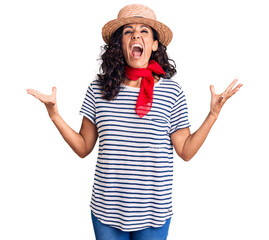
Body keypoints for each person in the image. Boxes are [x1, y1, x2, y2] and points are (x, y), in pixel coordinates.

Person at [27, 4, 242, 240]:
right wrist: (55, 115)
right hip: (106, 211)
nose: (136, 35)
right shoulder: (98, 89)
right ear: (120, 43)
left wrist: (212, 115)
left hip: (153, 213)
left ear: (154, 44)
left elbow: (186, 151)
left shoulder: (172, 92)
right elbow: (83, 147)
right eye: (128, 31)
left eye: (144, 31)